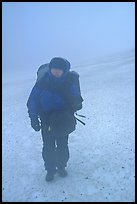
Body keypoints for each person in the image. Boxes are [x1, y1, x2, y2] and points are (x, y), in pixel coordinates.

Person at [27, 57, 83, 181]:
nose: (56, 71)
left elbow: (77, 98)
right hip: (47, 121)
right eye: (54, 69)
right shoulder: (42, 83)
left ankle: (62, 166)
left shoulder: (69, 83)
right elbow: (33, 101)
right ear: (50, 69)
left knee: (63, 145)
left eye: (59, 69)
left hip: (63, 120)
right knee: (48, 146)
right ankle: (50, 170)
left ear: (64, 70)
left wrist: (75, 101)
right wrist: (33, 118)